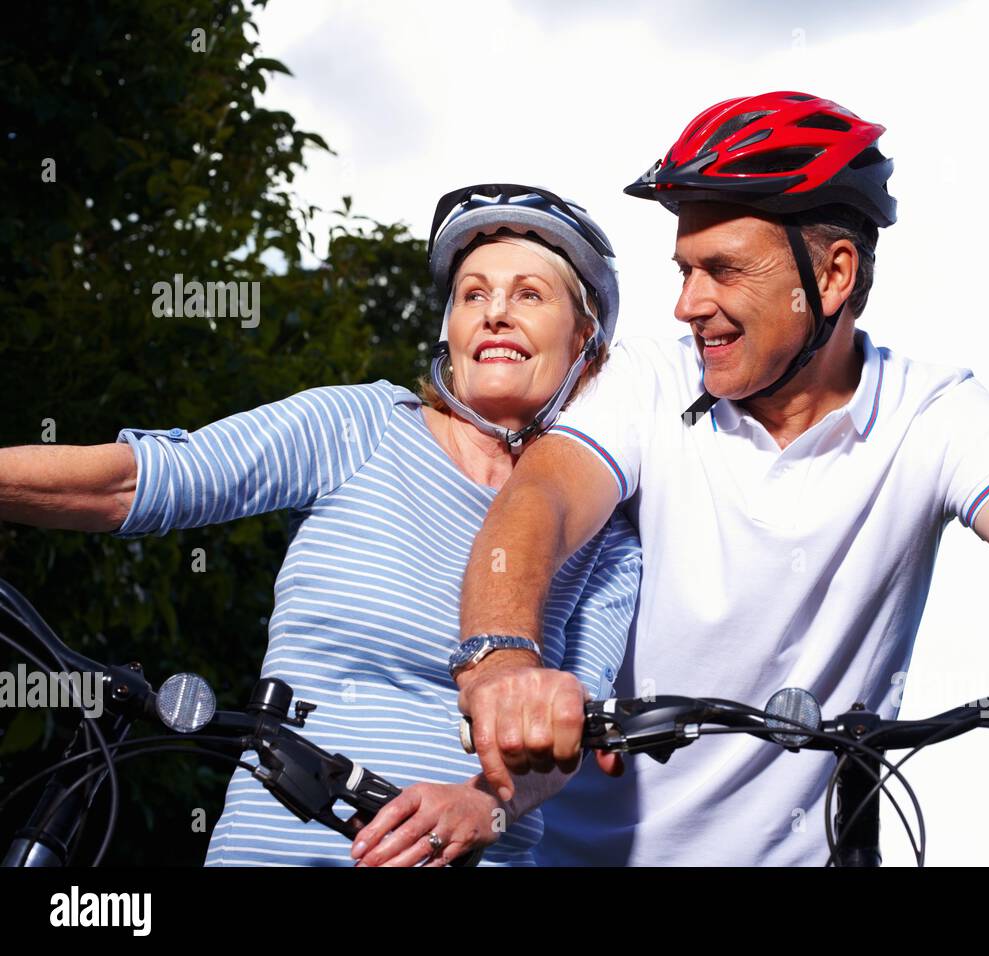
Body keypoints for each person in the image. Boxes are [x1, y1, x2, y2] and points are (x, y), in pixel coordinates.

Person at [448, 93, 989, 866]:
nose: (688, 304)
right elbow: (540, 501)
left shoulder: (933, 413)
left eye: (722, 270)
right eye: (684, 270)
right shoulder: (648, 382)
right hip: (585, 860)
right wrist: (503, 661)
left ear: (831, 276)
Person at [0, 184, 640, 867]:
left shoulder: (607, 535)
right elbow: (139, 478)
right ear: (448, 329)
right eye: (473, 294)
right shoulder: (360, 426)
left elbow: (571, 725)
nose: (495, 315)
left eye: (530, 296)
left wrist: (489, 803)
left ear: (587, 346)